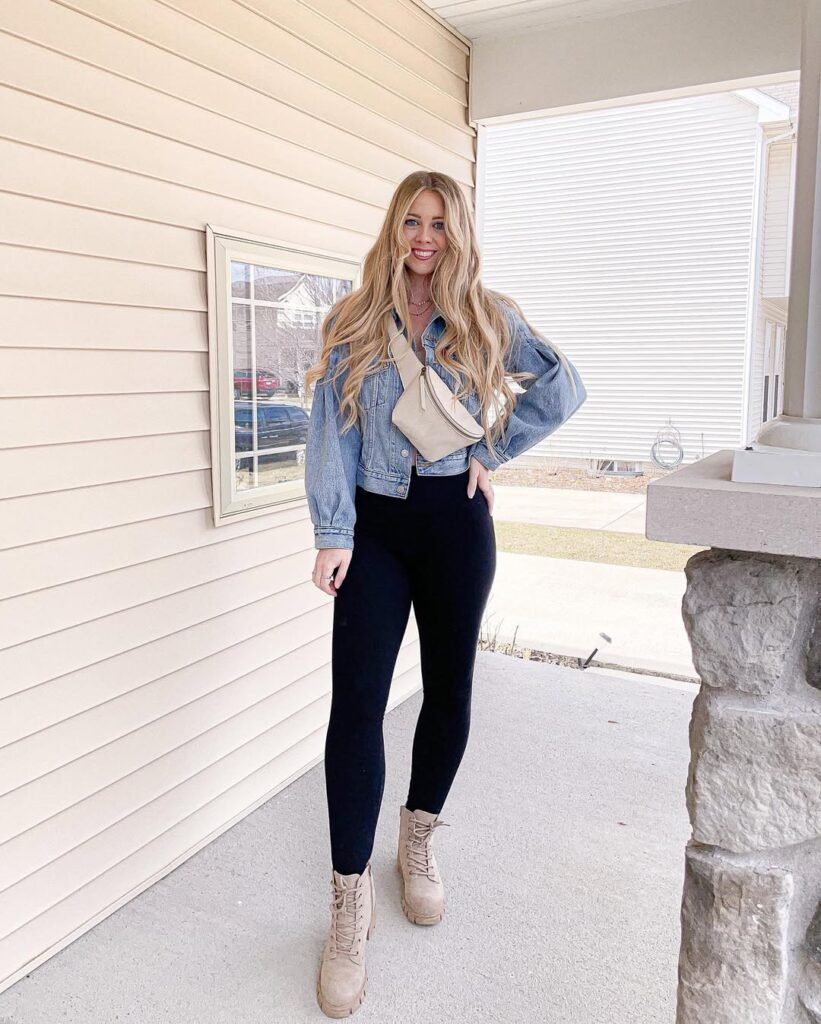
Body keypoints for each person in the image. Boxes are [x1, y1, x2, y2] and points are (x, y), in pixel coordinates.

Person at [303, 170, 587, 1018]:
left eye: (438, 224)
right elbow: (329, 429)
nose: (424, 237)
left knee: (449, 691)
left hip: (456, 525)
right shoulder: (351, 320)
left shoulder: (487, 315)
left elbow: (562, 385)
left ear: (457, 234)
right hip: (376, 529)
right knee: (355, 704)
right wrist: (332, 531)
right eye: (411, 222)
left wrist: (488, 452)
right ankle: (350, 901)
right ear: (394, 228)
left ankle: (418, 838)